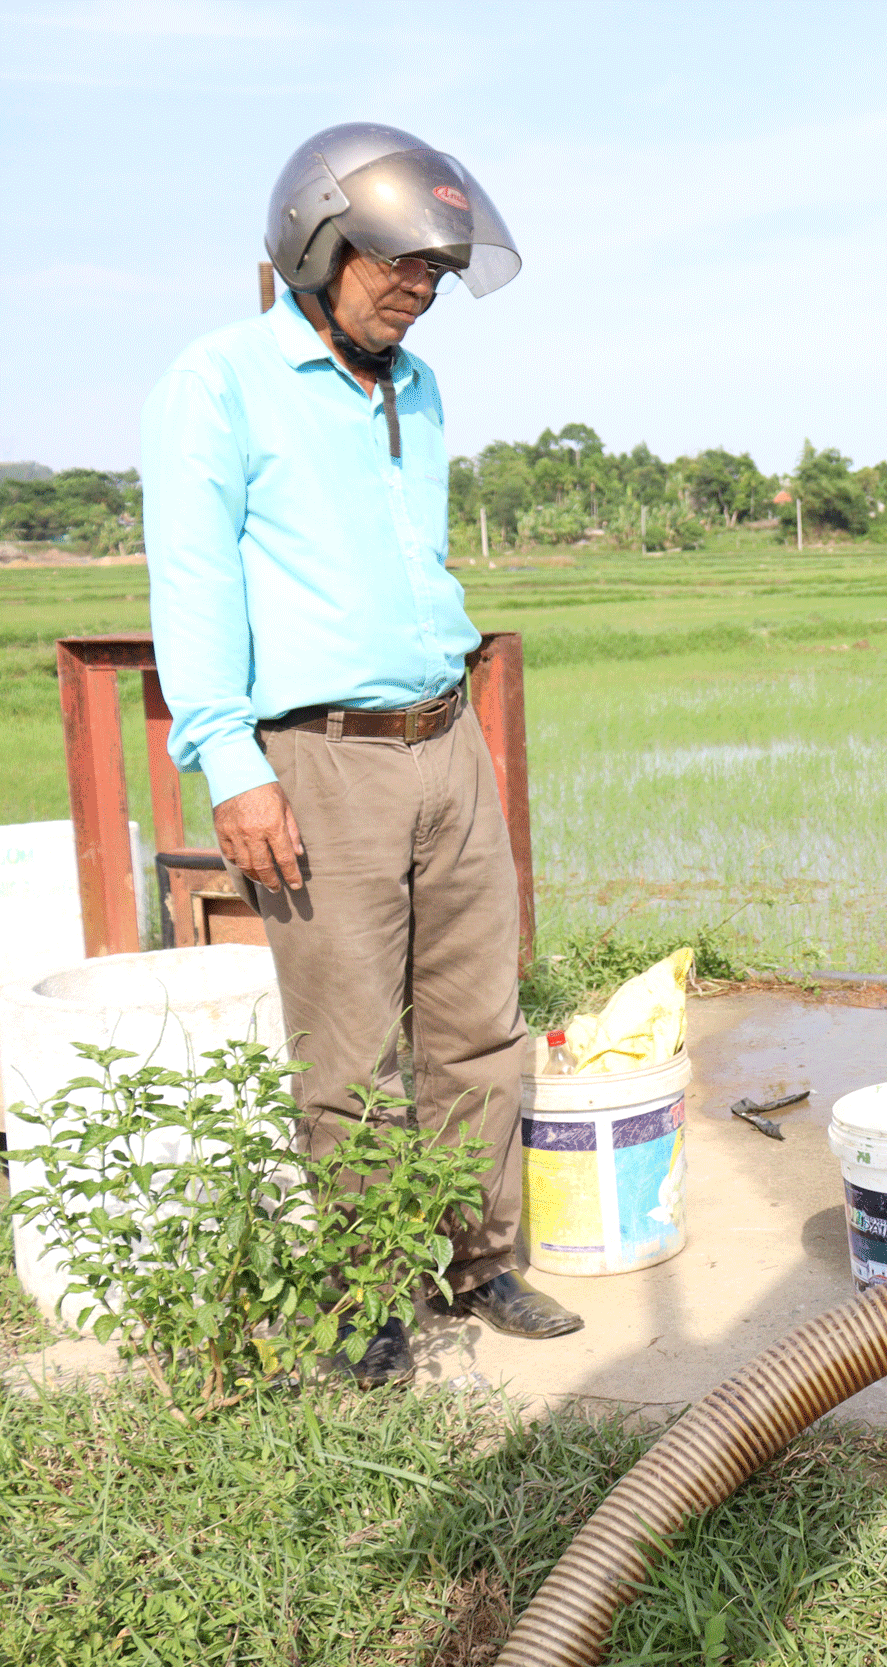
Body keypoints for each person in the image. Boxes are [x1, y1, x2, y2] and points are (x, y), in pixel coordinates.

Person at [142, 123, 582, 1388]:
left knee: (476, 1024)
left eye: (436, 270)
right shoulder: (219, 382)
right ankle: (367, 1293)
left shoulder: (418, 386)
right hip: (318, 756)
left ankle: (477, 1259)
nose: (418, 289)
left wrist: (457, 721)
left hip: (445, 735)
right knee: (346, 1053)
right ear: (316, 244)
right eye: (397, 262)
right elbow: (193, 584)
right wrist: (232, 764)